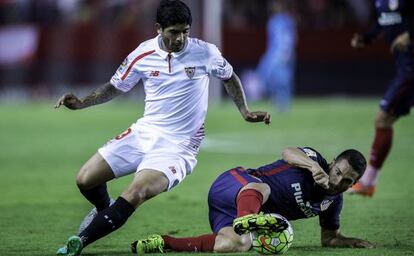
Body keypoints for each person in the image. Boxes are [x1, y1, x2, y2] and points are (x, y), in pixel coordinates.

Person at [54, 1, 271, 255]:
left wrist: (244, 111)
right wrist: (81, 103)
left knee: (136, 192)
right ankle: (104, 209)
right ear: (159, 28)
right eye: (174, 32)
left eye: (185, 31)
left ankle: (79, 241)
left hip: (178, 146)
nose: (180, 38)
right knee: (85, 179)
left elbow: (230, 76)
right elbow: (114, 87)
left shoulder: (206, 53)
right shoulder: (142, 54)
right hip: (144, 132)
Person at [131, 147, 375, 254]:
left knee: (236, 245)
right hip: (236, 184)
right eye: (338, 172)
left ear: (352, 185)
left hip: (233, 211)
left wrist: (351, 241)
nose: (337, 181)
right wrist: (313, 167)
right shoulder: (315, 160)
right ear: (332, 164)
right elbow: (288, 152)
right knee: (262, 187)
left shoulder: (333, 201)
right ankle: (248, 220)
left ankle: (164, 243)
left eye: (346, 181)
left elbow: (329, 238)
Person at [349, 0, 414, 197]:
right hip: (405, 68)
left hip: (411, 70)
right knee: (383, 120)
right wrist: (366, 38)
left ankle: (368, 182)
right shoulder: (381, 3)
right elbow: (382, 24)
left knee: (383, 118)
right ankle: (368, 182)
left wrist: (411, 35)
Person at [256, 0, 297, 112]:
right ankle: (278, 100)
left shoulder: (276, 22)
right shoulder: (284, 21)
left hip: (279, 54)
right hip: (279, 54)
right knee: (269, 76)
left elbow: (290, 39)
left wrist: (285, 52)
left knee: (282, 79)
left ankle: (283, 103)